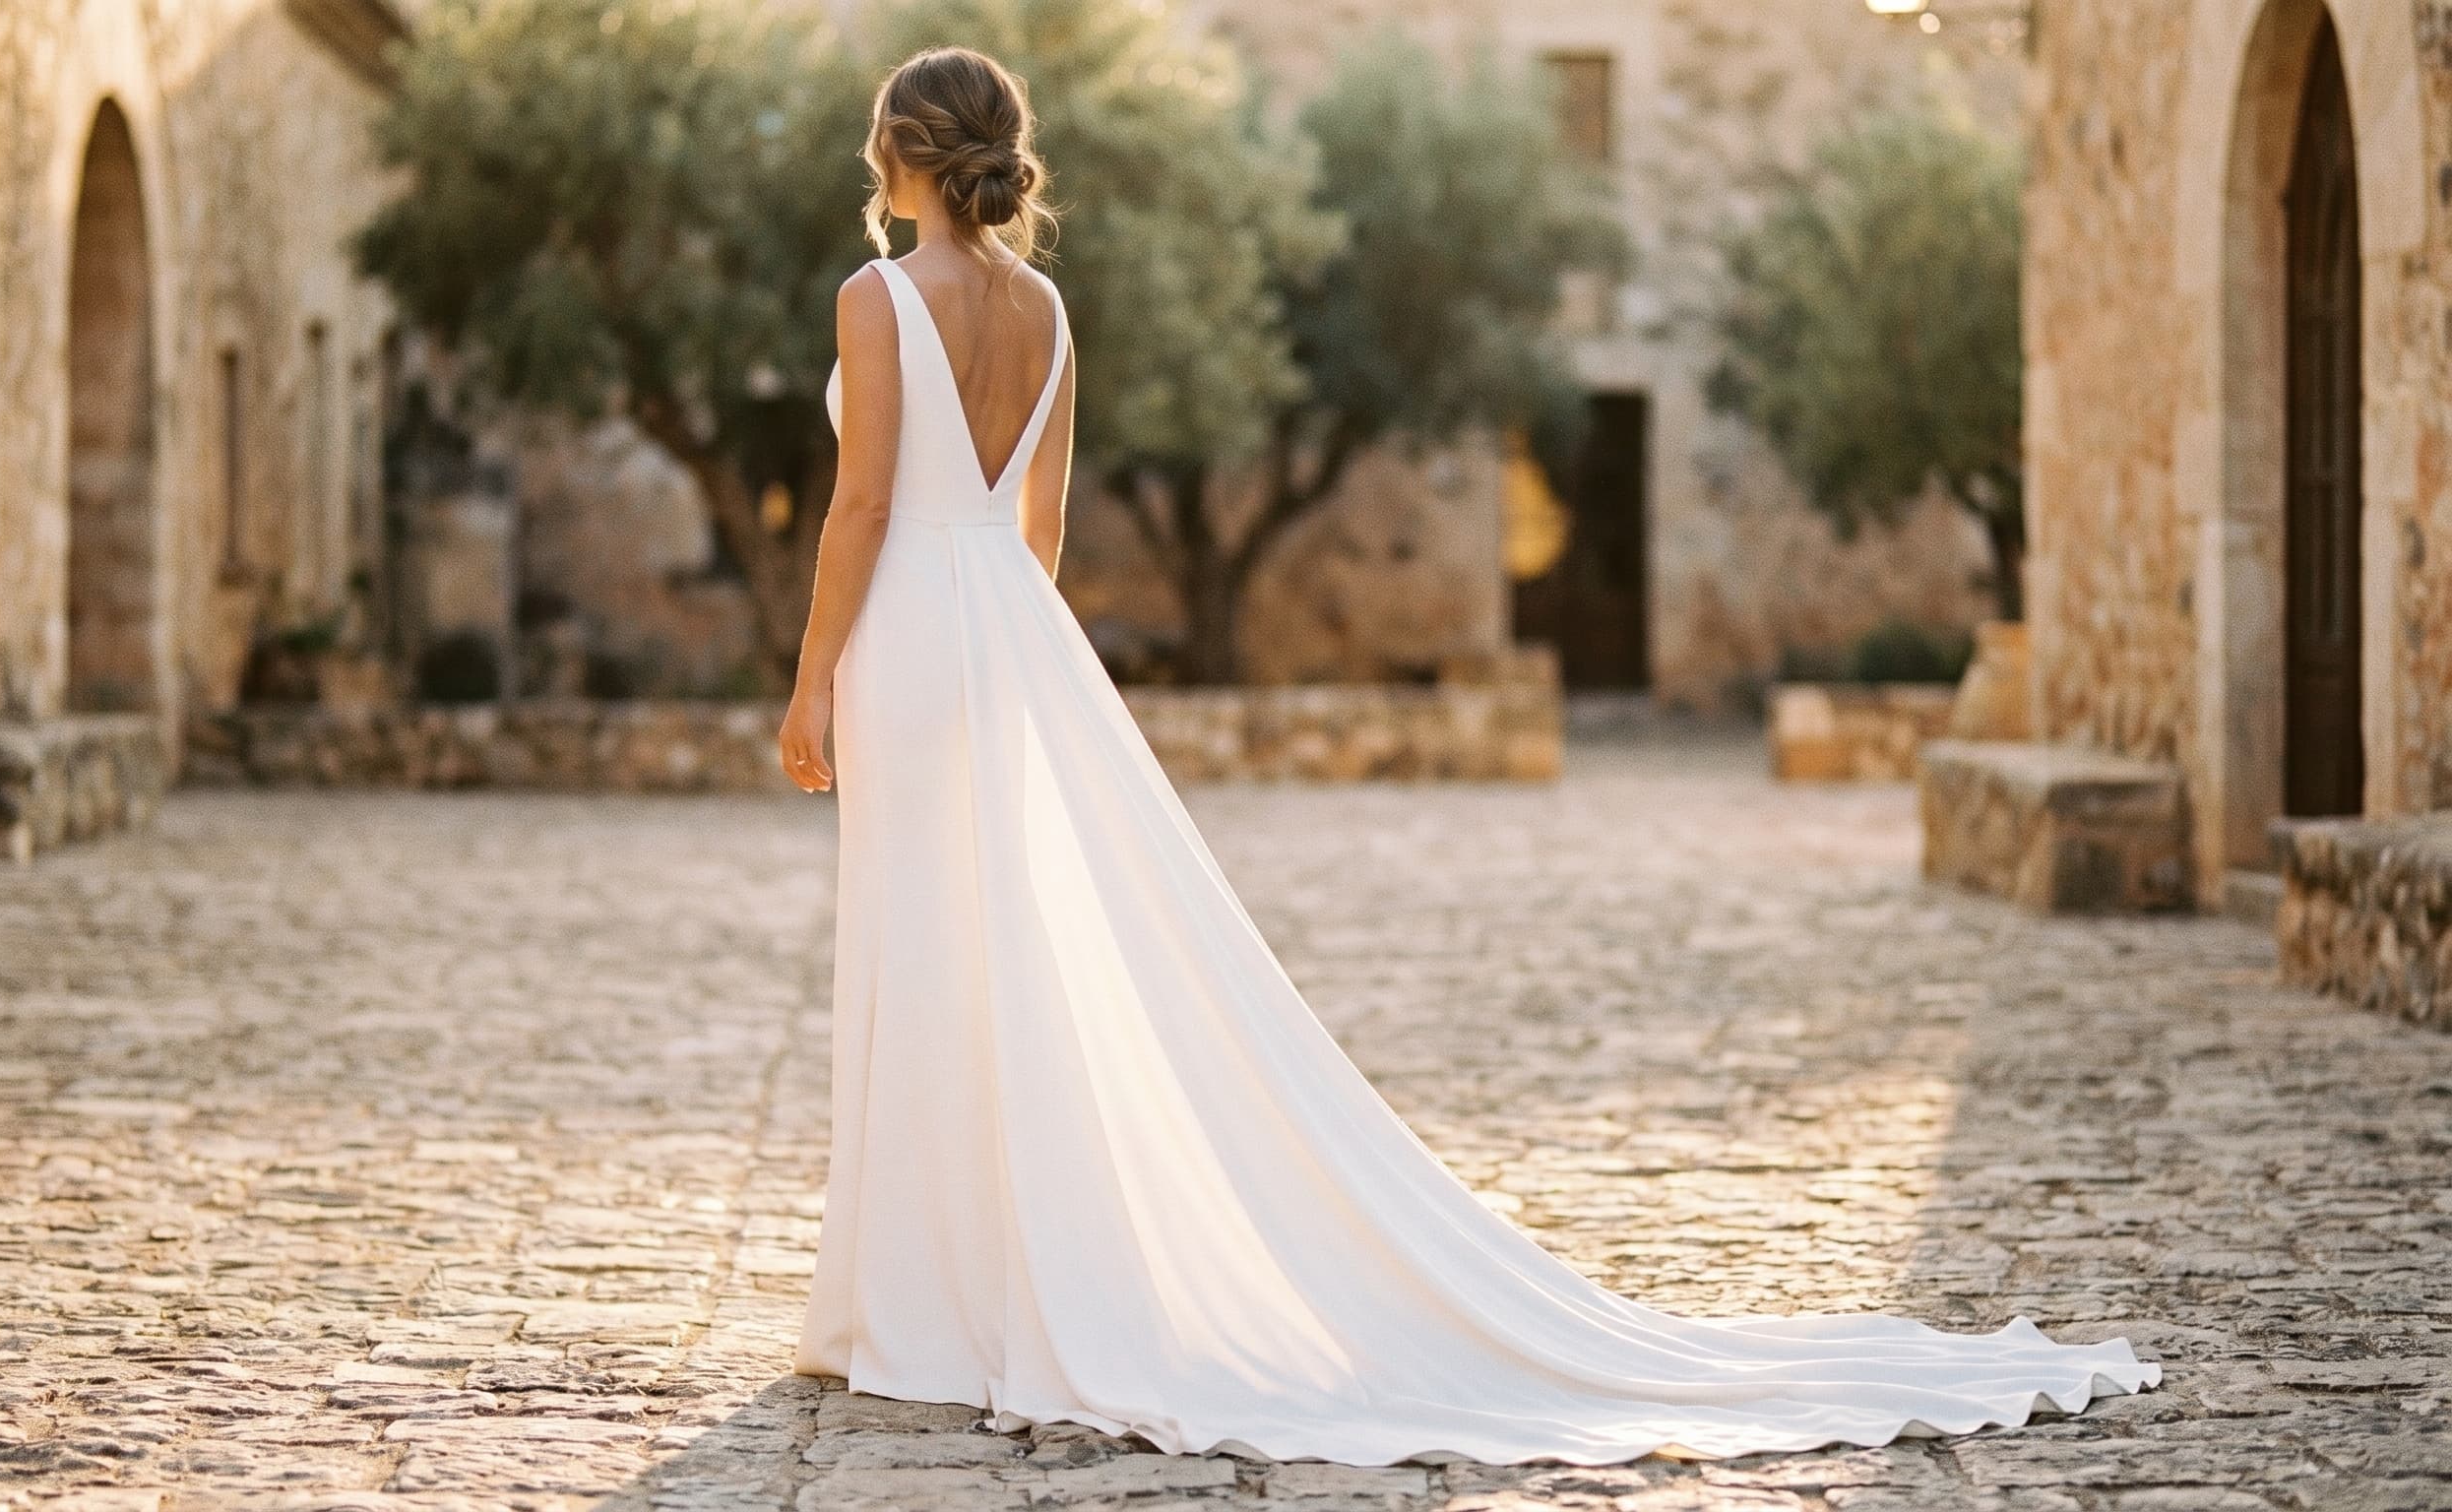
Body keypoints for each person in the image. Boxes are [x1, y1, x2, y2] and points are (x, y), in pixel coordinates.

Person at [774, 43, 2157, 1467]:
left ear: (905, 150)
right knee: (1006, 951)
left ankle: (923, 1299)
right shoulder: (1048, 309)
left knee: (926, 946)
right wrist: (1017, 658)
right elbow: (1043, 534)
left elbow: (863, 505)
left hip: (915, 641)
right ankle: (976, 1286)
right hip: (1014, 640)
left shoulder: (878, 298)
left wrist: (815, 679)